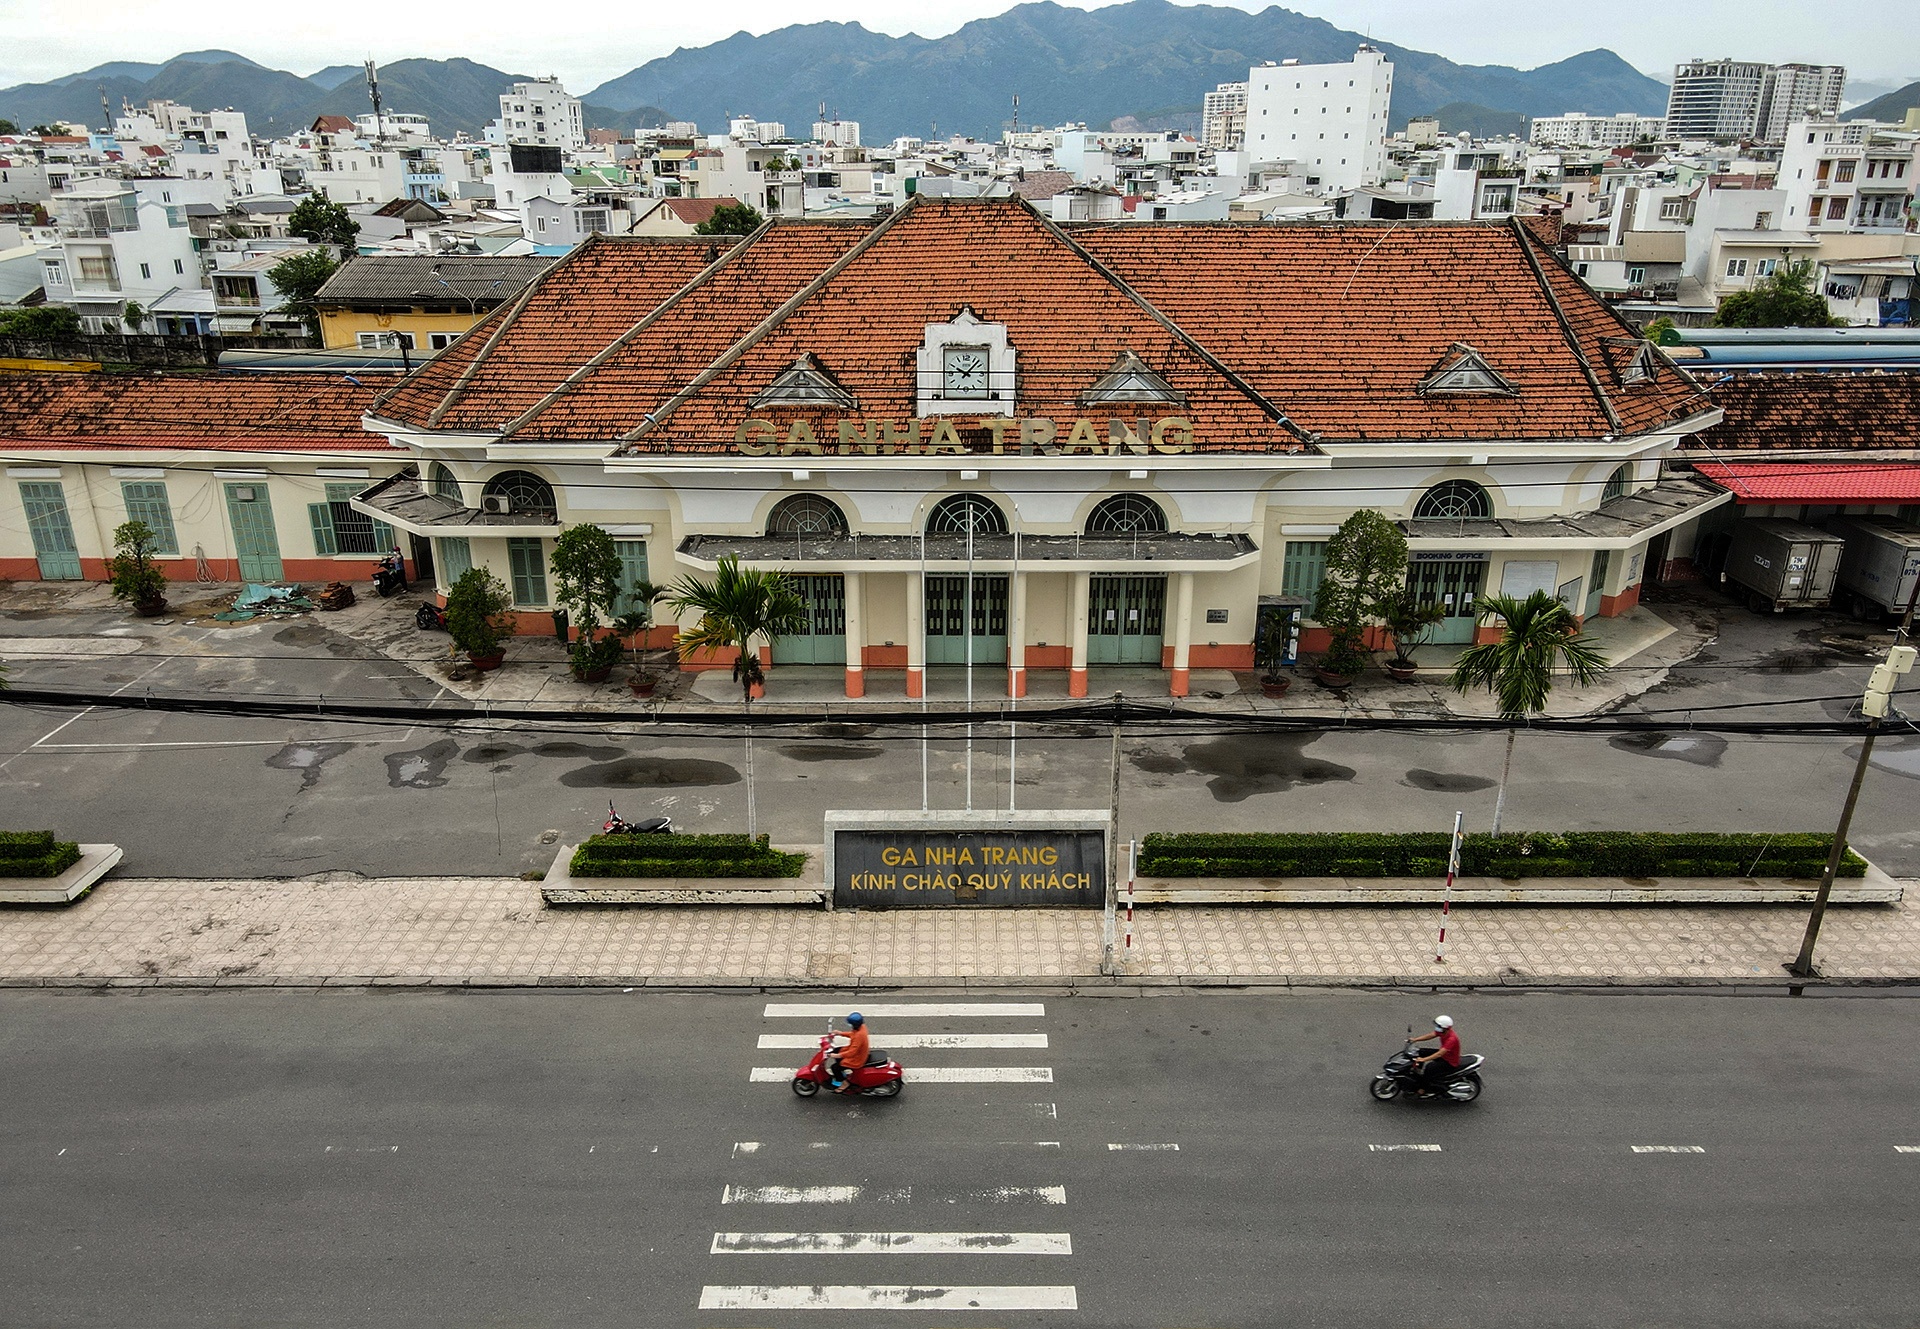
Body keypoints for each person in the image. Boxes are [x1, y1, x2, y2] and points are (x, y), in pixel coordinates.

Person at [1408, 1014, 1461, 1096]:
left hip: (1449, 1062)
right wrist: (1415, 1039)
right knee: (1420, 1052)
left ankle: (1423, 1088)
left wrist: (1424, 1059)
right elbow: (1431, 1035)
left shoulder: (1451, 1039)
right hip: (1444, 1055)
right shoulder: (1442, 1032)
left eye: (1438, 1026)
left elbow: (1440, 1054)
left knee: (1429, 1068)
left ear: (1445, 1028)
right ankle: (1417, 1072)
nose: (1436, 1028)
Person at [829, 1012, 869, 1093]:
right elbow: (852, 1034)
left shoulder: (859, 1036)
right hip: (858, 1052)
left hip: (857, 1059)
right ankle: (843, 1072)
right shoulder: (862, 1027)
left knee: (835, 1068)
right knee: (836, 1050)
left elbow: (852, 1052)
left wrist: (838, 1055)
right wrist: (840, 1033)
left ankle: (845, 1083)